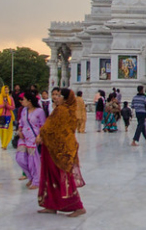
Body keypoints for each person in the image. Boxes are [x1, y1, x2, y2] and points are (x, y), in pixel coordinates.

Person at [36, 88, 86, 217]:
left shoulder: (63, 110)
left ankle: (77, 206)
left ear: (65, 98)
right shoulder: (63, 109)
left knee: (62, 177)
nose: (56, 98)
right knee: (51, 176)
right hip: (53, 147)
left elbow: (53, 128)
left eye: (59, 96)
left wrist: (42, 134)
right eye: (56, 95)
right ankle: (51, 205)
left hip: (59, 149)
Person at [16, 91, 46, 189]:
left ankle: (36, 181)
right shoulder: (24, 110)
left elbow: (44, 125)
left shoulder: (39, 111)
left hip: (34, 138)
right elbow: (21, 122)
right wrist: (19, 130)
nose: (22, 101)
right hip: (24, 137)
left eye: (23, 99)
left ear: (29, 101)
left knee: (33, 161)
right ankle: (30, 177)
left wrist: (40, 136)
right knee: (20, 158)